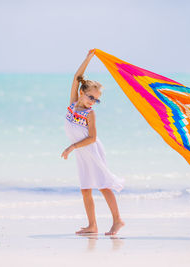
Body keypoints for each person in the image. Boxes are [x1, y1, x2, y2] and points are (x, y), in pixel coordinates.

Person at [61, 49, 125, 235]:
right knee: (85, 189)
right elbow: (76, 77)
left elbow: (92, 138)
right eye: (91, 97)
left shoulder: (90, 114)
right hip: (82, 153)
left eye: (96, 100)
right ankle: (92, 225)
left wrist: (71, 147)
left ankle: (118, 220)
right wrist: (88, 58)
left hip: (91, 150)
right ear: (82, 93)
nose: (92, 101)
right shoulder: (73, 103)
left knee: (103, 185)